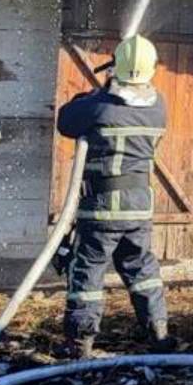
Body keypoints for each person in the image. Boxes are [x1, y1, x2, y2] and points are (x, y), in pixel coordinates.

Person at [54, 34, 174, 357]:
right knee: (142, 269)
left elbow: (66, 120)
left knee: (88, 270)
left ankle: (80, 341)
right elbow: (127, 103)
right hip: (139, 207)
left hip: (102, 207)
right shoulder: (159, 107)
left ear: (117, 69)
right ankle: (159, 332)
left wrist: (98, 91)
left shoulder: (100, 107)